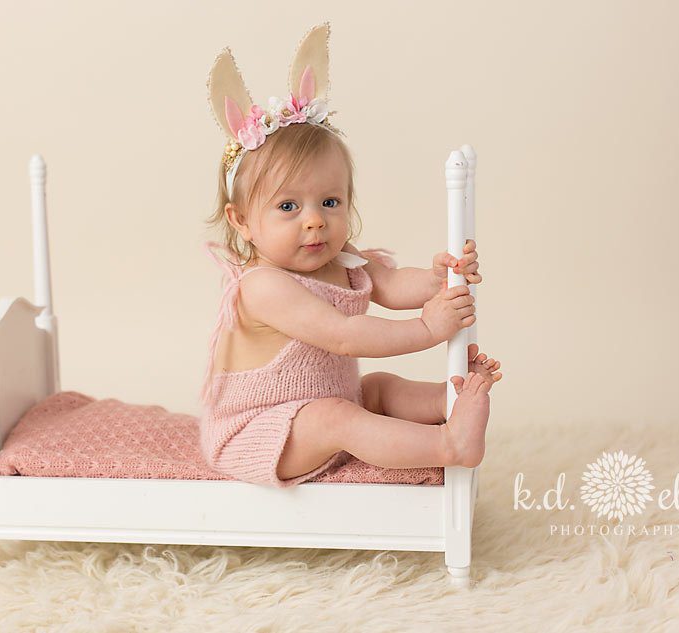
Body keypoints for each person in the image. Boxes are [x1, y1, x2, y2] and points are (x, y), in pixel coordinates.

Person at [198, 22, 502, 488]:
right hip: (260, 432)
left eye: (330, 202)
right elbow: (343, 335)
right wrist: (426, 328)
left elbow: (390, 285)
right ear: (241, 222)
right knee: (336, 416)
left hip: (316, 406)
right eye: (287, 207)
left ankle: (452, 401)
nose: (314, 220)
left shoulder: (341, 259)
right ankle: (450, 445)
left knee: (377, 389)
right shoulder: (262, 286)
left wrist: (443, 280)